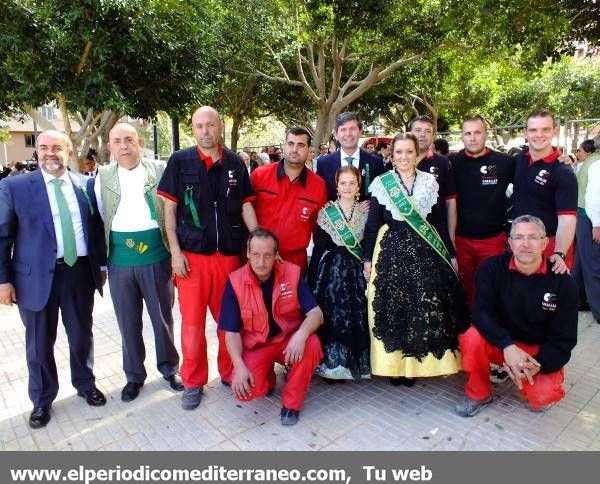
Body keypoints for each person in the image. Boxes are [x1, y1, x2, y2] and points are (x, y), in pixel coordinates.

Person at [0, 130, 107, 429]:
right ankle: (42, 399)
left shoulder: (85, 185)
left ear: (69, 152)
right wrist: (3, 281)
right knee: (39, 343)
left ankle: (85, 384)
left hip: (78, 273)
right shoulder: (15, 186)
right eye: (44, 147)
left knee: (81, 335)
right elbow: (2, 236)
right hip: (33, 279)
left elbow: (95, 231)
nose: (50, 153)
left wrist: (101, 268)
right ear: (37, 153)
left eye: (57, 147)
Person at [157, 106, 258, 410]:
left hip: (228, 257)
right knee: (191, 326)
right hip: (192, 260)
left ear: (221, 127)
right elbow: (169, 212)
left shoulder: (236, 163)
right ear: (193, 129)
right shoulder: (179, 161)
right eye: (199, 126)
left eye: (210, 125)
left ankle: (229, 373)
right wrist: (175, 253)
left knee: (229, 322)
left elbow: (247, 206)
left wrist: (258, 245)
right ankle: (193, 381)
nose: (205, 131)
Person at [363, 133, 467, 386]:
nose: (404, 157)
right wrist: (367, 259)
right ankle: (395, 367)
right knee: (395, 307)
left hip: (424, 252)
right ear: (391, 155)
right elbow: (372, 225)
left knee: (419, 306)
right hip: (390, 252)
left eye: (409, 152)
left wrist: (451, 255)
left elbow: (439, 223)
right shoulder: (381, 183)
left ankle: (415, 365)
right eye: (398, 152)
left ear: (417, 153)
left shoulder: (429, 182)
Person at [91, 123, 182, 402]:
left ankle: (169, 368)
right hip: (119, 259)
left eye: (129, 139)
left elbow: (171, 211)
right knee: (127, 322)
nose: (124, 145)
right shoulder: (101, 176)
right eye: (117, 141)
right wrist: (102, 265)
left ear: (139, 142)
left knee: (162, 318)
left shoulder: (159, 169)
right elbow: (100, 219)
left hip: (156, 256)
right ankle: (134, 376)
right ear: (110, 147)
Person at [455, 215, 578, 417]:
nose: (526, 244)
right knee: (472, 337)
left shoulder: (563, 283)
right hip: (502, 344)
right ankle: (479, 393)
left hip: (536, 352)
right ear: (510, 242)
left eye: (533, 237)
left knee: (543, 397)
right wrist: (507, 346)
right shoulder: (491, 269)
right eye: (519, 237)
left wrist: (537, 365)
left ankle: (530, 380)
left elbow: (564, 340)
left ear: (545, 242)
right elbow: (480, 313)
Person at [219, 228, 324, 425]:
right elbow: (231, 333)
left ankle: (292, 404)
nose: (261, 262)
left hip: (288, 341)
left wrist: (301, 336)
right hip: (258, 345)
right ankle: (267, 379)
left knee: (312, 344)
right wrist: (240, 367)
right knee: (245, 392)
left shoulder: (292, 273)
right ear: (247, 253)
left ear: (276, 255)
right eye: (256, 255)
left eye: (268, 255)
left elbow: (316, 314)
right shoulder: (235, 282)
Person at [307, 165, 370, 381]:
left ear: (359, 185)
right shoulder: (327, 213)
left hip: (357, 271)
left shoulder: (365, 212)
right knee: (334, 317)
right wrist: (313, 275)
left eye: (352, 183)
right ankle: (334, 365)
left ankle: (353, 362)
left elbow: (369, 243)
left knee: (356, 316)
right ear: (336, 185)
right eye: (343, 183)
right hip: (332, 272)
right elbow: (319, 247)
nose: (347, 187)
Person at [448, 115, 515, 307]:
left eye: (477, 132)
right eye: (468, 133)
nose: (473, 137)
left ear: (486, 133)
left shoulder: (505, 162)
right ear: (462, 136)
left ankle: (490, 331)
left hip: (493, 240)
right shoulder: (451, 162)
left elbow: (530, 169)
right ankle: (467, 332)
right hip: (460, 241)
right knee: (464, 292)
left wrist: (561, 158)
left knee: (492, 290)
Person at [250, 127, 327, 275]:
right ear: (284, 146)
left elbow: (319, 231)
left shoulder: (318, 185)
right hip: (259, 260)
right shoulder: (259, 176)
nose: (294, 149)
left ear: (309, 149)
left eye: (301, 145)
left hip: (294, 263)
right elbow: (245, 214)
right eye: (290, 143)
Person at [512, 109, 577, 271]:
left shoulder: (563, 171)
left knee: (551, 295)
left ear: (555, 131)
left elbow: (567, 219)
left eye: (545, 129)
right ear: (525, 133)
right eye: (533, 130)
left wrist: (559, 253)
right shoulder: (518, 160)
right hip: (522, 244)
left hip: (551, 245)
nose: (539, 135)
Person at [410, 116, 457, 257]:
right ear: (410, 133)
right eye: (417, 130)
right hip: (404, 236)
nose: (422, 135)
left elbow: (450, 201)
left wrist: (451, 238)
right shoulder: (397, 161)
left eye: (427, 131)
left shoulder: (443, 163)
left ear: (433, 136)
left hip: (435, 236)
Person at [317, 112, 384, 201]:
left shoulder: (376, 162)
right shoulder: (323, 163)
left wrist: (371, 204)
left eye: (352, 129)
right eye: (343, 129)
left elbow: (381, 196)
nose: (348, 134)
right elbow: (321, 195)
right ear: (336, 134)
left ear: (360, 131)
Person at [572, 135, 600, 324]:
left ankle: (579, 300)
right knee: (593, 266)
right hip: (590, 218)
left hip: (585, 217)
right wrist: (597, 224)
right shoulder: (597, 163)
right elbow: (594, 197)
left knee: (583, 263)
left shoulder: (592, 161)